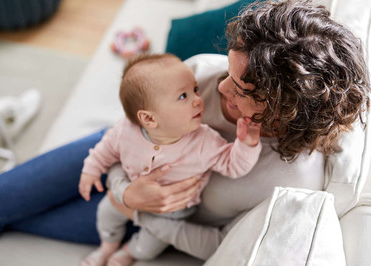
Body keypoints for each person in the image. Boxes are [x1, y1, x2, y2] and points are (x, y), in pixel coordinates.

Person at [0, 0, 371, 264]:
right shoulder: (206, 73)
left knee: (8, 216)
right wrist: (124, 190)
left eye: (240, 91)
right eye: (229, 70)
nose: (220, 87)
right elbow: (129, 133)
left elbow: (219, 244)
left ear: (282, 110)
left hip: (154, 222)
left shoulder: (287, 180)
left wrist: (147, 216)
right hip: (122, 162)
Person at [79, 53, 261, 266]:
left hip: (172, 212)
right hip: (128, 189)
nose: (198, 100)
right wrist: (90, 170)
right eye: (183, 96)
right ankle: (107, 246)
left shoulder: (205, 142)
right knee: (106, 213)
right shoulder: (125, 130)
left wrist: (247, 144)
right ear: (148, 118)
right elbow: (105, 150)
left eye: (195, 90)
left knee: (150, 246)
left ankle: (129, 251)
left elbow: (234, 166)